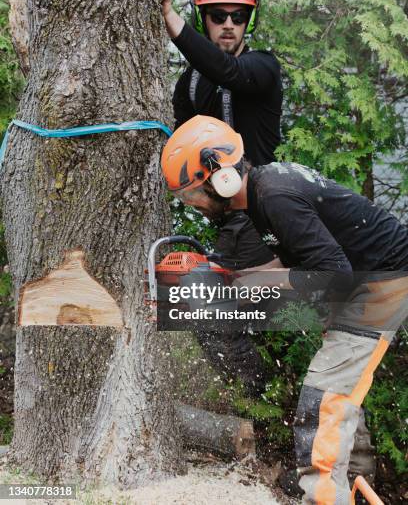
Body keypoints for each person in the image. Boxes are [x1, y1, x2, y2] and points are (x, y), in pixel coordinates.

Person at [160, 115, 408, 504]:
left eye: (194, 196)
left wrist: (257, 285)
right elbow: (292, 262)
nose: (196, 206)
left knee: (323, 402)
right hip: (366, 280)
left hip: (380, 284)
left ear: (221, 177)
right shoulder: (261, 194)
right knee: (334, 393)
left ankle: (323, 499)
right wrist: (230, 279)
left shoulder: (274, 196)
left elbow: (335, 276)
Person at [158, 0, 283, 397]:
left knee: (286, 314)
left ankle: (272, 400)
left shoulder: (261, 68)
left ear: (249, 20)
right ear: (203, 17)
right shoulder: (189, 83)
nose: (229, 24)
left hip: (266, 216)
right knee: (199, 307)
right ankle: (259, 400)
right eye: (217, 15)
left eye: (238, 16)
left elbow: (229, 72)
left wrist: (171, 20)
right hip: (224, 221)